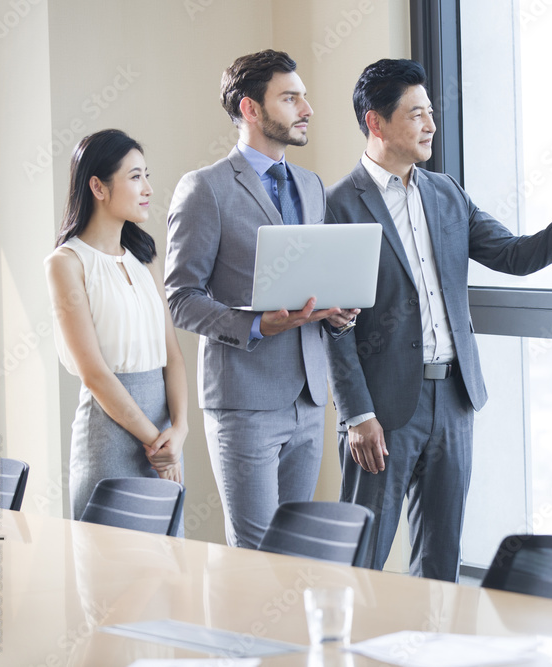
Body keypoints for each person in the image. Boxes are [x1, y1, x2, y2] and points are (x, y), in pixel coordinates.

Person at [324, 58, 552, 581]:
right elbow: (331, 326)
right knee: (363, 564)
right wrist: (357, 415)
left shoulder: (446, 193)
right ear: (376, 122)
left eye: (431, 113)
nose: (431, 125)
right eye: (416, 113)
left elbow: (512, 254)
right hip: (382, 410)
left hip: (454, 401)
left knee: (441, 559)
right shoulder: (337, 206)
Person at [165, 50, 357, 549]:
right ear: (251, 109)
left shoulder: (312, 185)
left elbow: (313, 281)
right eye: (290, 98)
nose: (307, 109)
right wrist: (256, 325)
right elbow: (181, 298)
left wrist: (337, 313)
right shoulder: (203, 189)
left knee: (297, 555)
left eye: (304, 97)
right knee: (254, 555)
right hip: (245, 401)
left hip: (310, 398)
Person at [45, 129, 188, 524]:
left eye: (147, 175)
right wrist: (156, 443)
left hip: (164, 441)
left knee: (166, 572)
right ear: (98, 186)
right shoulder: (66, 263)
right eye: (135, 176)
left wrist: (179, 431)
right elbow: (95, 375)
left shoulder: (145, 259)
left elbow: (172, 357)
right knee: (109, 576)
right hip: (110, 439)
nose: (148, 188)